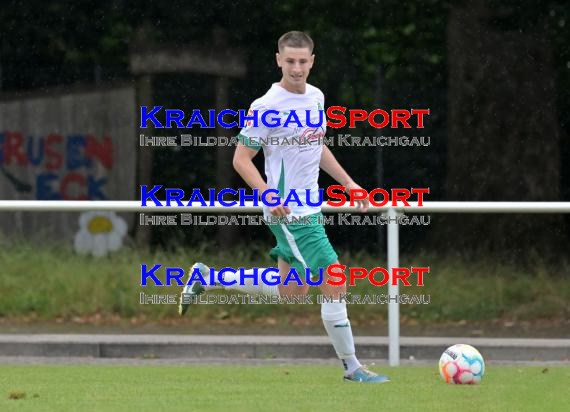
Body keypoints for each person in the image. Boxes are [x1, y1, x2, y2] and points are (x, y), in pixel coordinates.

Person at [179, 31, 389, 383]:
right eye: (289, 61)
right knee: (335, 278)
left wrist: (349, 184)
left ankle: (209, 277)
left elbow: (317, 147)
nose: (296, 68)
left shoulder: (316, 97)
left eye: (302, 61)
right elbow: (241, 159)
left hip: (310, 207)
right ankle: (353, 368)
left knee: (292, 290)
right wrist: (267, 194)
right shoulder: (266, 106)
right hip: (289, 211)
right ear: (278, 60)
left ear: (312, 61)